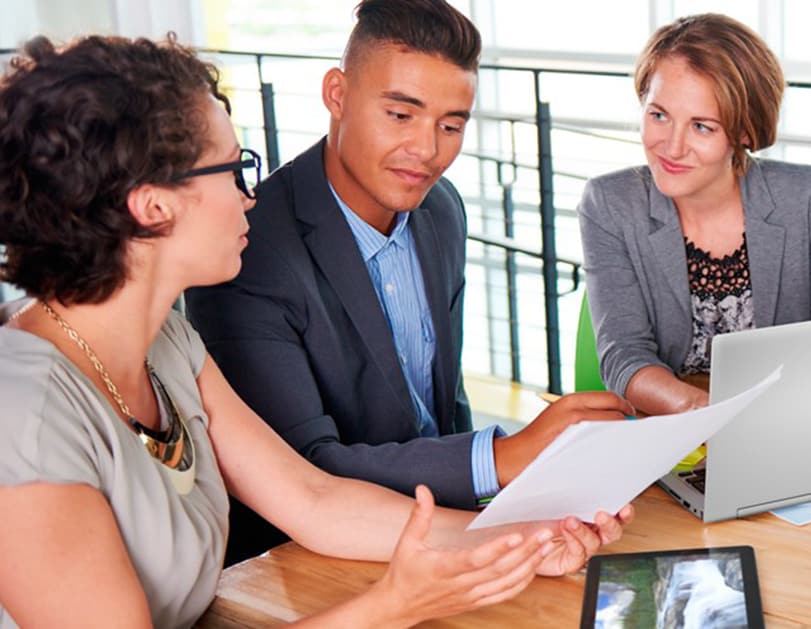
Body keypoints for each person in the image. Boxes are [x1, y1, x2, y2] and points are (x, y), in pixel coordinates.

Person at [0, 34, 630, 628]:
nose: (251, 197)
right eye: (231, 170)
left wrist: (521, 540)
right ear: (153, 205)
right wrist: (393, 606)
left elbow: (317, 501)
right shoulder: (24, 413)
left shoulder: (167, 343)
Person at [184, 0, 634, 563]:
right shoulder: (244, 251)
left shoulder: (441, 209)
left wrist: (511, 500)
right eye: (401, 115)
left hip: (447, 528)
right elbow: (304, 472)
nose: (427, 151)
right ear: (336, 94)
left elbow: (445, 406)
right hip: (305, 563)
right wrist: (502, 459)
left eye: (451, 125)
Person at [578, 14, 811, 416]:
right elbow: (624, 356)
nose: (672, 147)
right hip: (676, 427)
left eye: (701, 127)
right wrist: (705, 413)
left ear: (744, 132)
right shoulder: (609, 205)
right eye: (658, 115)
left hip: (794, 418)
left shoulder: (808, 197)